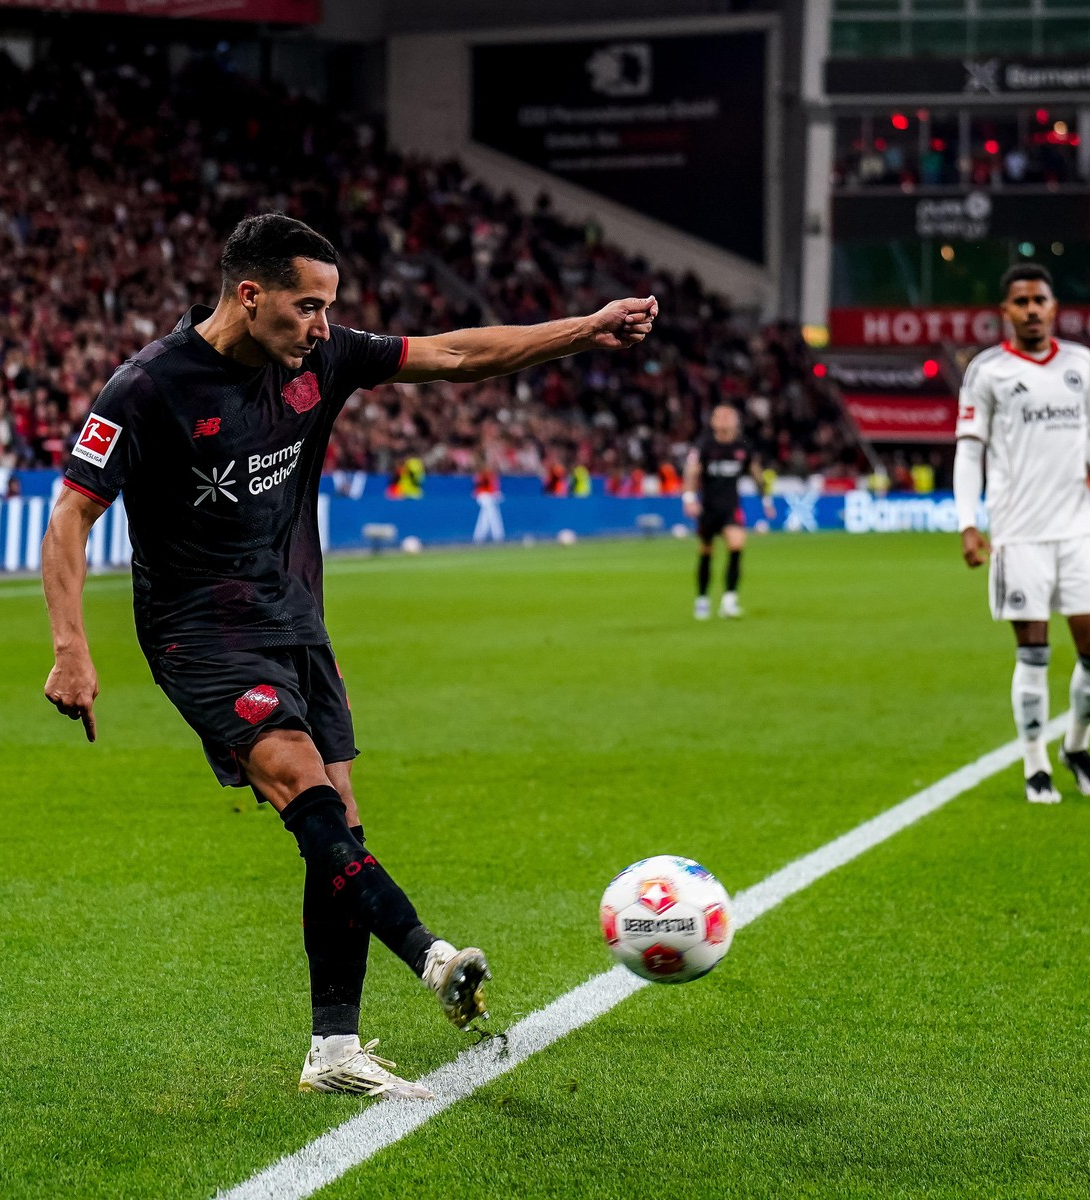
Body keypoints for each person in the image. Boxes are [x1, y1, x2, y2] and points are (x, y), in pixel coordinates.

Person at [40, 213, 657, 1100]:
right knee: (303, 786)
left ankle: (334, 1052)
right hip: (199, 631)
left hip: (295, 617)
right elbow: (71, 513)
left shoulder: (317, 360)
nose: (323, 326)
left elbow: (454, 355)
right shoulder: (146, 389)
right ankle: (433, 958)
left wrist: (587, 327)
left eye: (329, 308)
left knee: (340, 827)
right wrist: (71, 649)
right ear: (249, 296)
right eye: (307, 307)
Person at [953, 264, 1090, 804]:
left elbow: (1088, 429)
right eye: (1021, 301)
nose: (1031, 309)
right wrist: (968, 521)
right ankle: (1035, 763)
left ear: (1054, 307)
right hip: (1019, 534)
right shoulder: (987, 372)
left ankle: (1076, 745)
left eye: (1040, 300)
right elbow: (969, 450)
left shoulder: (1081, 362)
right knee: (1034, 651)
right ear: (1004, 312)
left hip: (1077, 531)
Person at [682, 403, 775, 620]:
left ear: (736, 421)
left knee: (736, 545)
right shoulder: (704, 445)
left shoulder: (743, 446)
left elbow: (756, 474)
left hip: (731, 508)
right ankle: (702, 598)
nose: (724, 420)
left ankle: (729, 601)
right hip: (708, 508)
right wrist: (688, 499)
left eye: (728, 416)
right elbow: (691, 471)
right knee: (706, 551)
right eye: (719, 416)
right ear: (713, 421)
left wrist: (766, 500)